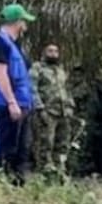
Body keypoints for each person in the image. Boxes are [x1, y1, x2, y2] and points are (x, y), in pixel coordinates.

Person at [0, 4, 36, 182]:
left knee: (19, 147)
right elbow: (0, 73)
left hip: (19, 103)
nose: (26, 26)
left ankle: (15, 181)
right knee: (3, 146)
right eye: (24, 21)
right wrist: (11, 101)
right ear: (18, 22)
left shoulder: (13, 45)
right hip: (2, 104)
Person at [31, 43, 76, 178]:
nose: (53, 53)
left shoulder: (61, 70)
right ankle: (44, 173)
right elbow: (31, 89)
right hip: (47, 112)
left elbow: (66, 90)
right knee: (46, 143)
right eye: (50, 51)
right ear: (44, 53)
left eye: (56, 51)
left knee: (63, 144)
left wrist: (70, 106)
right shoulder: (37, 68)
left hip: (63, 113)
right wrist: (40, 108)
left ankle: (60, 171)